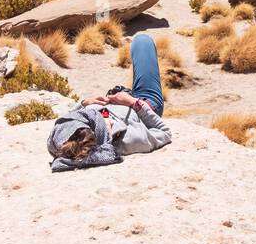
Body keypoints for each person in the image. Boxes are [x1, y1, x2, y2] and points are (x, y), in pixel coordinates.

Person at [47, 33, 172, 171]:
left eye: (97, 119)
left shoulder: (62, 136)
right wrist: (134, 104)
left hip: (116, 98)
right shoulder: (124, 140)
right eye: (106, 127)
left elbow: (70, 117)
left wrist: (84, 104)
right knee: (142, 41)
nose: (108, 120)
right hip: (144, 103)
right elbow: (164, 132)